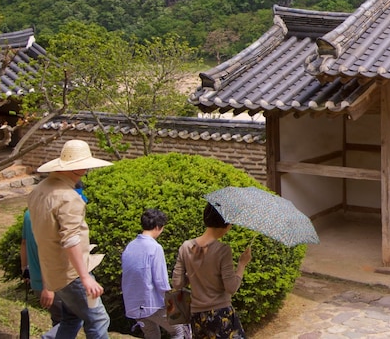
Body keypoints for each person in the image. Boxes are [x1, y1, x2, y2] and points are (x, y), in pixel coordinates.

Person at [27, 139, 113, 339]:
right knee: (98, 318)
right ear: (80, 168)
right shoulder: (68, 197)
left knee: (72, 318)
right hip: (71, 273)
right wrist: (85, 278)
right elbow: (71, 239)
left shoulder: (39, 190)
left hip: (53, 270)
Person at [171, 203, 252, 339]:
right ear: (225, 224)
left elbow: (177, 284)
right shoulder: (223, 250)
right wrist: (242, 264)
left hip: (196, 316)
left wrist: (194, 275)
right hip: (220, 315)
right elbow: (231, 287)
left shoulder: (185, 246)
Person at [20, 181, 88, 331]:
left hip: (37, 281)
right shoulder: (52, 217)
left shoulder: (28, 214)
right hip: (54, 283)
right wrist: (48, 287)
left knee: (60, 320)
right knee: (71, 321)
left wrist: (25, 269)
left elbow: (24, 243)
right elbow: (46, 252)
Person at [121, 208, 190, 339]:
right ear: (158, 227)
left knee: (151, 335)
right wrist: (173, 300)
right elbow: (161, 282)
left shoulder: (130, 246)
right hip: (152, 303)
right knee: (178, 331)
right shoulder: (155, 247)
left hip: (133, 305)